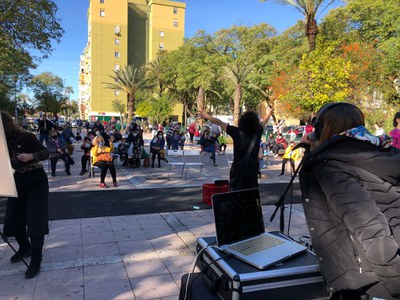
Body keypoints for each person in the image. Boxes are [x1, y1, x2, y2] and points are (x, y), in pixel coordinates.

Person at [298, 102, 400, 300]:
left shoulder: (331, 166)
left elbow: (369, 226)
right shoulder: (380, 151)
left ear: (321, 129)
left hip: (372, 281)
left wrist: (395, 284)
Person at [1, 112, 49, 279]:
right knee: (13, 220)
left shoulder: (25, 137)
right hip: (17, 180)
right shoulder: (2, 143)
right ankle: (24, 247)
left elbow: (45, 153)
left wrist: (31, 156)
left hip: (36, 179)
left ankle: (36, 259)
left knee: (35, 220)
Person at [198, 107, 273, 190]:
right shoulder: (257, 131)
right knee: (251, 193)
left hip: (238, 169)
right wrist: (269, 113)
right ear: (255, 122)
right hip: (252, 169)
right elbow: (264, 121)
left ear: (241, 122)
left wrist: (206, 115)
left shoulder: (235, 132)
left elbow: (219, 122)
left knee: (235, 192)